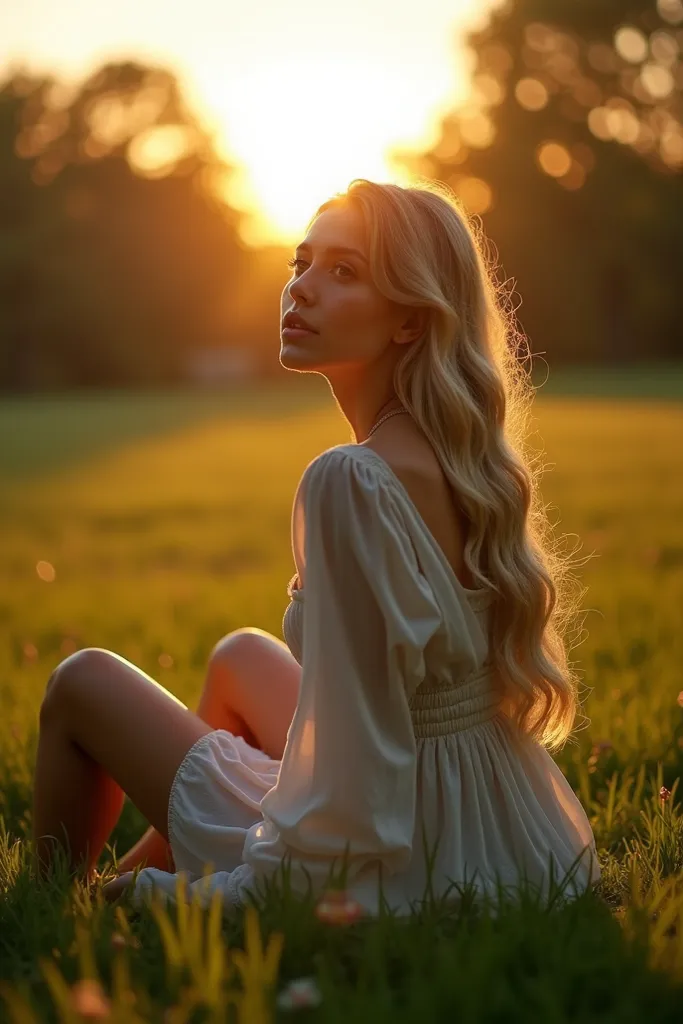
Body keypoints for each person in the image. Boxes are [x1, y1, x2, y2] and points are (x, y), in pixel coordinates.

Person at [33, 178, 601, 914]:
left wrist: (247, 894)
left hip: (415, 856)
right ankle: (130, 866)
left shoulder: (352, 480)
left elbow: (357, 763)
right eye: (300, 264)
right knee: (240, 655)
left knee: (83, 682)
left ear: (406, 321)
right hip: (508, 831)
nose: (300, 290)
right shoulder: (453, 453)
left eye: (343, 273)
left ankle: (45, 903)